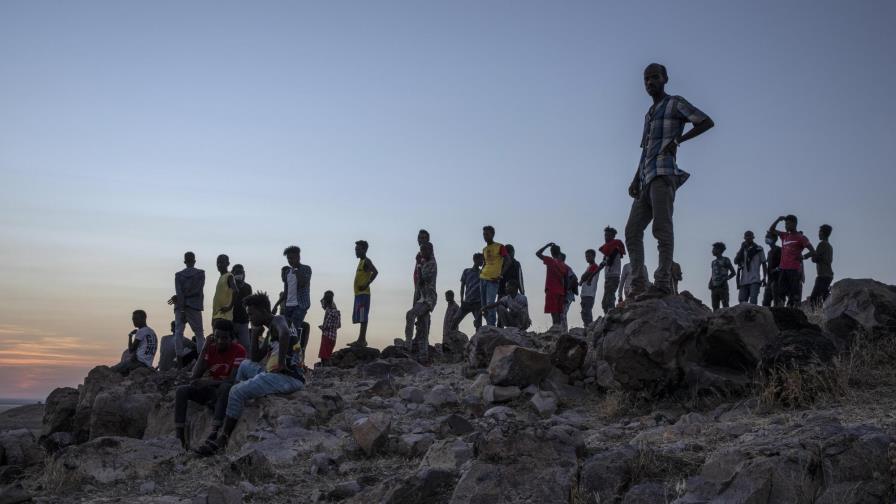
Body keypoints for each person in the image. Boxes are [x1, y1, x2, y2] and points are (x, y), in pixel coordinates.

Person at [625, 63, 714, 298]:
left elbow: (705, 121)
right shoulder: (649, 114)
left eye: (654, 77)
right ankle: (638, 285)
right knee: (632, 231)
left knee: (662, 228)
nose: (649, 83)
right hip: (646, 178)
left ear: (665, 79)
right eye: (646, 79)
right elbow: (645, 151)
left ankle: (663, 281)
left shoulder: (674, 102)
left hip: (664, 174)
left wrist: (680, 140)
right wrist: (635, 179)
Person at [196, 292, 305, 456]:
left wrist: (281, 362)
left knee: (236, 391)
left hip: (288, 377)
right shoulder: (270, 331)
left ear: (263, 310)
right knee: (245, 365)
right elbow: (254, 357)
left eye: (251, 314)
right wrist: (254, 334)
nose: (250, 318)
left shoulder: (279, 320)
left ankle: (223, 438)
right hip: (275, 373)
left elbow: (285, 334)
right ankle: (233, 401)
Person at [174, 319, 246, 449]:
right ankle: (180, 437)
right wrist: (204, 348)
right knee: (181, 390)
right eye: (217, 337)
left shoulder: (239, 350)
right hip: (211, 391)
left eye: (224, 338)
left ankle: (214, 431)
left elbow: (231, 380)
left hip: (226, 393)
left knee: (225, 387)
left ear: (231, 338)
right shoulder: (211, 348)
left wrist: (207, 383)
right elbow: (195, 375)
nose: (220, 341)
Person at [768, 215, 816, 307]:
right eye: (785, 224)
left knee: (794, 296)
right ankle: (781, 315)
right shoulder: (784, 235)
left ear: (794, 224)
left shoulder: (801, 237)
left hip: (794, 270)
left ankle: (794, 314)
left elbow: (813, 251)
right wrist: (778, 219)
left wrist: (803, 257)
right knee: (780, 295)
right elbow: (771, 230)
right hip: (782, 269)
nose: (786, 226)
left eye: (788, 224)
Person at [169, 251, 205, 367]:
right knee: (199, 334)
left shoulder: (178, 275)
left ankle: (179, 362)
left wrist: (183, 308)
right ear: (194, 261)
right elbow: (198, 290)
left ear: (185, 261)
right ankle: (201, 361)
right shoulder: (200, 274)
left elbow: (179, 293)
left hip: (180, 306)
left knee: (178, 333)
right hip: (194, 306)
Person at [405, 242, 437, 363]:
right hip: (422, 298)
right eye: (421, 250)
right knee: (423, 326)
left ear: (430, 250)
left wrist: (418, 263)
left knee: (411, 314)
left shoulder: (431, 264)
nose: (422, 253)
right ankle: (423, 356)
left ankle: (408, 344)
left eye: (424, 250)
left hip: (428, 299)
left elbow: (422, 279)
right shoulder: (425, 263)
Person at [279, 246, 312, 355]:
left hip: (300, 305)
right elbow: (286, 291)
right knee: (287, 329)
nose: (290, 261)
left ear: (298, 257)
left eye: (292, 258)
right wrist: (276, 305)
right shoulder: (287, 272)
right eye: (288, 258)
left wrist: (296, 271)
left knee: (293, 329)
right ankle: (289, 353)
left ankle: (294, 354)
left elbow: (303, 283)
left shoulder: (306, 269)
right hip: (288, 305)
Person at [347, 241, 378, 348]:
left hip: (364, 294)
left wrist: (366, 284)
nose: (356, 251)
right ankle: (361, 339)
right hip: (359, 294)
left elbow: (375, 272)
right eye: (356, 249)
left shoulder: (366, 261)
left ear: (364, 250)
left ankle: (362, 340)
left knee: (363, 316)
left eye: (358, 249)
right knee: (360, 317)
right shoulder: (361, 261)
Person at [111, 310, 157, 375]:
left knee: (111, 370)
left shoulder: (141, 331)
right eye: (133, 319)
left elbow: (131, 350)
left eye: (136, 319)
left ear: (143, 319)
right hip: (148, 363)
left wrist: (130, 336)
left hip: (139, 362)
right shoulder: (151, 331)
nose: (134, 321)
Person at [479, 226, 509, 327]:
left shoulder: (500, 246)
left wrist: (501, 275)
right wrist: (480, 273)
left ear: (492, 234)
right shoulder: (484, 249)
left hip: (493, 279)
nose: (485, 236)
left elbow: (508, 260)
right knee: (483, 305)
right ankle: (488, 325)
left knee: (490, 303)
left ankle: (492, 327)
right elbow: (485, 263)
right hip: (483, 278)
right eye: (484, 234)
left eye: (487, 234)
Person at [536, 242, 568, 329]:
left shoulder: (550, 261)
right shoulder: (563, 265)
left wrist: (546, 245)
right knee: (558, 313)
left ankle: (556, 331)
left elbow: (538, 253)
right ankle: (558, 330)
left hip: (552, 290)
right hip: (560, 292)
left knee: (554, 314)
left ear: (551, 252)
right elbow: (564, 280)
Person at [733, 231, 767, 305]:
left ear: (753, 238)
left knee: (753, 302)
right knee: (741, 301)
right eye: (746, 236)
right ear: (744, 238)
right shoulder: (742, 250)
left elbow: (764, 263)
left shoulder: (759, 249)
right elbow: (735, 261)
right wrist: (742, 248)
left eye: (749, 236)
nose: (748, 238)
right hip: (744, 280)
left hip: (755, 279)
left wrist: (764, 277)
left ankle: (753, 316)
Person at [598, 227, 627, 313]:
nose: (606, 237)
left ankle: (611, 315)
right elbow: (603, 263)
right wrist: (592, 275)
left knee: (609, 299)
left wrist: (604, 261)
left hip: (613, 277)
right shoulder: (608, 250)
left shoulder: (615, 249)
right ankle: (608, 316)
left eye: (608, 235)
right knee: (604, 302)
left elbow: (609, 262)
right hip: (608, 278)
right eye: (605, 235)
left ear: (613, 236)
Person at [454, 253, 484, 331]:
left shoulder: (483, 273)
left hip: (478, 303)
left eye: (483, 260)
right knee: (455, 320)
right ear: (475, 260)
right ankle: (452, 338)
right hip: (467, 302)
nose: (482, 261)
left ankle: (477, 341)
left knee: (478, 325)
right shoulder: (467, 271)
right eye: (481, 260)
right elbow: (462, 286)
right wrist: (461, 299)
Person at [808, 224, 834, 308]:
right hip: (828, 275)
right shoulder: (829, 246)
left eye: (819, 232)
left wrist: (812, 256)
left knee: (814, 298)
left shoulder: (821, 244)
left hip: (822, 275)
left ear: (822, 233)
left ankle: (818, 317)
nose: (818, 234)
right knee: (824, 296)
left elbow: (814, 258)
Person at [211, 254, 238, 335]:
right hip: (217, 315)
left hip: (224, 316)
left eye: (222, 262)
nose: (219, 264)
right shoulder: (221, 277)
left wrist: (229, 307)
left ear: (228, 263)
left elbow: (236, 291)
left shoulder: (229, 276)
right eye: (218, 262)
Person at [708, 242, 737, 312]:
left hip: (723, 287)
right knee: (715, 306)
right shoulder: (713, 262)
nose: (712, 251)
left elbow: (733, 273)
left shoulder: (725, 260)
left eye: (714, 249)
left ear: (719, 250)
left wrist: (725, 279)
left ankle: (728, 321)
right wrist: (710, 282)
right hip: (714, 287)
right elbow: (713, 273)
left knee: (725, 305)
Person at [231, 264, 252, 351]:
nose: (239, 274)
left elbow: (250, 304)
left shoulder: (248, 287)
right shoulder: (229, 286)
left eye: (241, 272)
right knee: (232, 345)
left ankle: (245, 364)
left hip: (243, 321)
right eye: (237, 272)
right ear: (232, 273)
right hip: (231, 321)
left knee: (246, 346)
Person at [318, 291, 341, 366]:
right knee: (328, 354)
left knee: (324, 356)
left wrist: (322, 327)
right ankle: (326, 368)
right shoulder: (337, 312)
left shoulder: (329, 311)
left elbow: (326, 326)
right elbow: (339, 325)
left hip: (326, 336)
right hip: (333, 337)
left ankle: (324, 369)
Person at [578, 249, 600, 326]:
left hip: (589, 294)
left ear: (593, 256)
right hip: (585, 294)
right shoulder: (589, 267)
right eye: (586, 256)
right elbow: (582, 280)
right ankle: (588, 329)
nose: (587, 258)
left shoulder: (594, 266)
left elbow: (584, 277)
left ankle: (590, 329)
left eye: (589, 256)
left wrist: (582, 279)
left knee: (586, 313)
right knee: (584, 313)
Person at [762, 232, 782, 307]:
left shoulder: (779, 250)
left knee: (777, 302)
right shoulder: (769, 252)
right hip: (769, 280)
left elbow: (783, 263)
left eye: (768, 237)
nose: (766, 239)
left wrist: (776, 269)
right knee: (765, 303)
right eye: (766, 237)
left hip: (777, 280)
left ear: (774, 239)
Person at [559, 253, 577, 331]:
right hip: (564, 295)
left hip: (567, 295)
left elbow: (574, 278)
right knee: (561, 313)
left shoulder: (566, 267)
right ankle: (562, 331)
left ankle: (564, 332)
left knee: (562, 313)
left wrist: (566, 290)